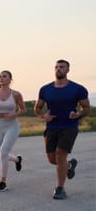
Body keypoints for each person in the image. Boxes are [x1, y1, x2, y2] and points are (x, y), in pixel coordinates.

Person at [34, 59, 90, 200]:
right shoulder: (45, 89)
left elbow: (86, 108)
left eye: (62, 67)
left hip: (69, 126)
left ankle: (60, 188)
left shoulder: (78, 89)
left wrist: (78, 114)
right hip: (52, 126)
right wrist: (43, 116)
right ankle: (70, 165)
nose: (59, 69)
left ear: (68, 70)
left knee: (60, 154)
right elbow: (38, 108)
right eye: (56, 67)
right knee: (53, 159)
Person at [0, 70, 26, 191]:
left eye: (4, 76)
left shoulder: (16, 94)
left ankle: (3, 181)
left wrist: (13, 115)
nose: (2, 78)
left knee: (3, 151)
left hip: (12, 125)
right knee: (1, 154)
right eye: (0, 77)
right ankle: (17, 160)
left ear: (10, 80)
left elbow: (23, 110)